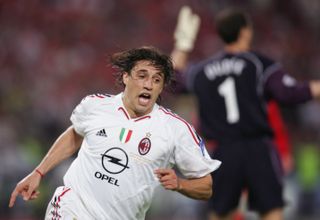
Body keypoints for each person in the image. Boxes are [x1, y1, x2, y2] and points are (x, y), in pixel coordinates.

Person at [9, 46, 221, 219]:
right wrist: (38, 172)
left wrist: (180, 184)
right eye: (142, 76)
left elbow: (206, 186)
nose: (148, 84)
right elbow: (75, 135)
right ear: (126, 77)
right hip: (72, 207)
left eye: (156, 80)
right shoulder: (95, 105)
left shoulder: (175, 129)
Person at [171, 6, 320, 220]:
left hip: (223, 152)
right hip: (257, 149)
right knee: (271, 212)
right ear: (245, 31)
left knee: (221, 213)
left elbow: (173, 81)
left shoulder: (202, 70)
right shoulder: (259, 65)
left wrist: (182, 45)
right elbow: (289, 93)